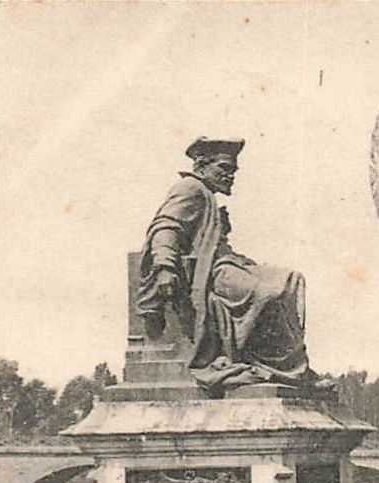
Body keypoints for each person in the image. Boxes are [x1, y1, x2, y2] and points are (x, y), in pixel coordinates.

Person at [138, 137, 325, 393]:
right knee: (266, 294)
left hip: (227, 262)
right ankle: (278, 369)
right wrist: (165, 267)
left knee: (291, 279)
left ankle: (295, 368)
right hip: (209, 272)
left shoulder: (206, 195)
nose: (230, 176)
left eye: (233, 171)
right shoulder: (189, 188)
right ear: (202, 166)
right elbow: (166, 227)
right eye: (224, 169)